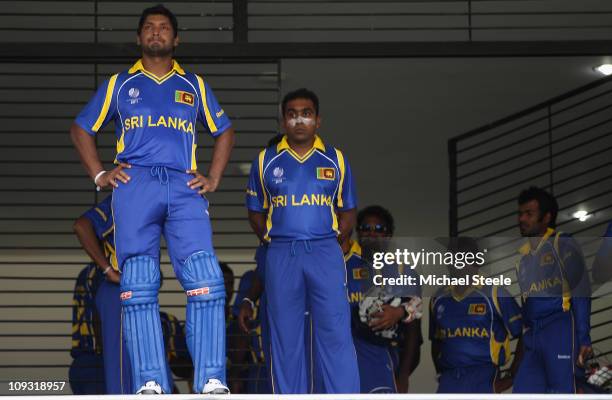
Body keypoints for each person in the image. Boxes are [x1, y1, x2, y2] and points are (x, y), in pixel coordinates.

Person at [69, 4, 235, 394]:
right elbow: (81, 128)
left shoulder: (193, 84)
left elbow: (224, 131)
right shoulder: (119, 84)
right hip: (134, 183)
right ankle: (150, 383)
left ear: (176, 39)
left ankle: (211, 380)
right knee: (138, 282)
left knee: (206, 280)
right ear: (139, 37)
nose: (156, 33)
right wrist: (100, 174)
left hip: (183, 184)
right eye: (149, 28)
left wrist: (212, 177)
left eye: (164, 28)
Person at [245, 88, 359, 393]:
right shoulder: (265, 161)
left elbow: (348, 210)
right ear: (283, 121)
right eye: (292, 114)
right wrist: (271, 239)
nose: (299, 120)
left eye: (306, 114)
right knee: (285, 335)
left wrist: (336, 241)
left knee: (335, 331)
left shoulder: (336, 160)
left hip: (324, 251)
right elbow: (255, 212)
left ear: (318, 120)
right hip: (282, 252)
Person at [73, 195, 193, 394]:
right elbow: (82, 226)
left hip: (142, 294)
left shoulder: (155, 201)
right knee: (122, 373)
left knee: (150, 373)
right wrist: (108, 270)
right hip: (119, 291)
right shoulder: (122, 198)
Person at [513, 186, 592, 393]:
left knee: (563, 391)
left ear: (547, 217)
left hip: (560, 328)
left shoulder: (562, 243)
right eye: (520, 213)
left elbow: (581, 288)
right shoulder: (523, 260)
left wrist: (584, 337)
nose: (522, 219)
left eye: (529, 214)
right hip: (533, 335)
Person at [429, 237, 523, 393]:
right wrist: (441, 372)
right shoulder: (438, 299)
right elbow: (436, 341)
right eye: (452, 258)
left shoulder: (494, 293)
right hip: (449, 379)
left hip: (483, 376)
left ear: (476, 262)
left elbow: (525, 333)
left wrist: (512, 375)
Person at [346, 205, 422, 393]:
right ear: (357, 232)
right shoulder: (341, 266)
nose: (371, 233)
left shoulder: (404, 272)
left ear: (389, 235)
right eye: (365, 228)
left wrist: (403, 375)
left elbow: (413, 328)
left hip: (382, 356)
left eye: (379, 229)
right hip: (344, 356)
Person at [68, 263, 105, 394]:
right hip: (96, 363)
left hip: (83, 363)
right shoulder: (102, 273)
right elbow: (98, 314)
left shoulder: (88, 272)